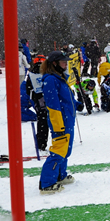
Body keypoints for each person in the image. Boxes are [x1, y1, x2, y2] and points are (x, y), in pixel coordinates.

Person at [39, 51, 77, 194]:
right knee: (58, 151)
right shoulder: (50, 80)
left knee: (66, 151)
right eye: (63, 62)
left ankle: (60, 175)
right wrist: (58, 125)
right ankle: (47, 183)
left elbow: (66, 98)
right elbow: (53, 104)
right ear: (54, 63)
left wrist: (76, 103)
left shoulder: (60, 78)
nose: (66, 64)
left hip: (68, 119)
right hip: (60, 122)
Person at [26, 55, 49, 152]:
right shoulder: (47, 72)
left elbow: (28, 88)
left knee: (42, 122)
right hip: (49, 98)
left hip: (38, 101)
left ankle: (41, 143)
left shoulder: (31, 74)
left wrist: (34, 98)